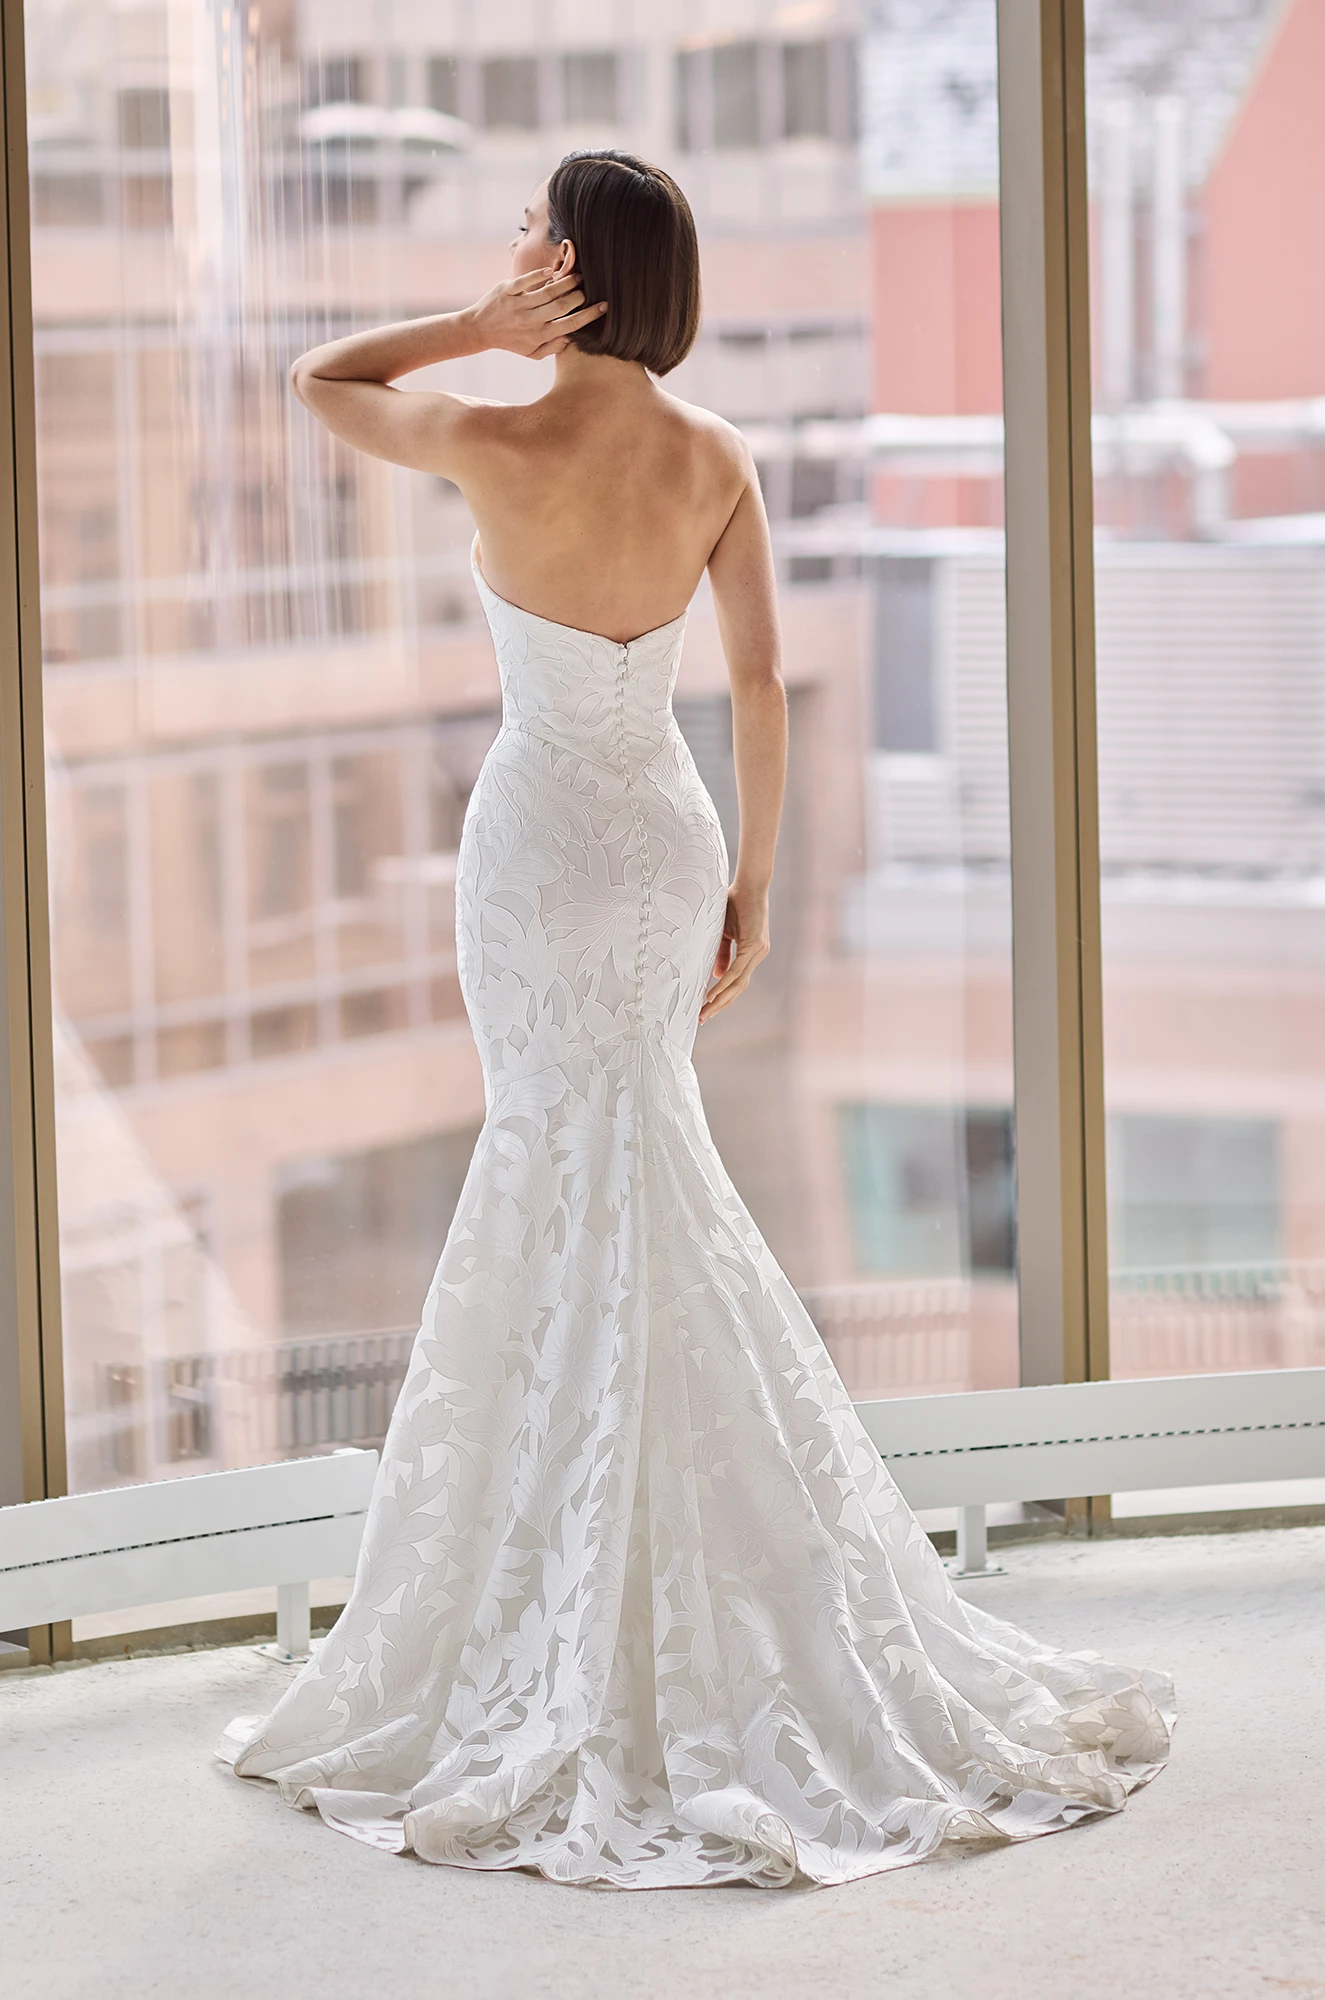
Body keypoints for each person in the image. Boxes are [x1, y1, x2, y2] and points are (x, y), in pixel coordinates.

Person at [217, 149, 1174, 1889]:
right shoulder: (713, 454)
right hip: (667, 838)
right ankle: (716, 1574)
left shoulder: (489, 437)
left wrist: (469, 329)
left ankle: (565, 1590)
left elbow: (319, 383)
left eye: (525, 232)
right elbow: (754, 682)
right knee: (646, 1162)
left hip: (537, 841)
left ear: (568, 266)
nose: (506, 247)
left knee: (553, 1168)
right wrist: (756, 886)